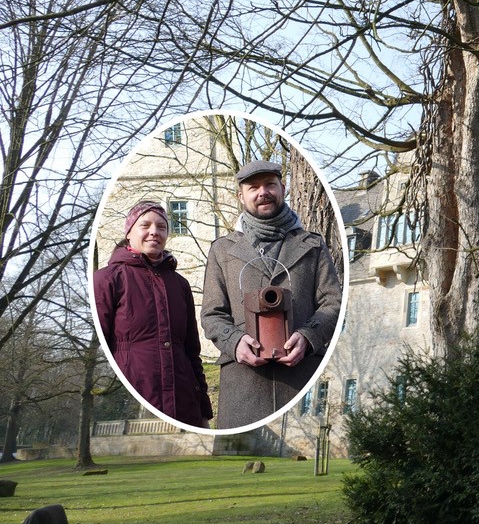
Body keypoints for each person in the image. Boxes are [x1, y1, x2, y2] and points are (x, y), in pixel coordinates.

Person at [201, 160, 341, 429]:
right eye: (253, 187)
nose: (262, 192)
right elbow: (211, 313)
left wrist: (309, 336)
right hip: (243, 385)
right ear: (241, 196)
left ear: (283, 188)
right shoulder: (222, 249)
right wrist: (234, 342)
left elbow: (332, 302)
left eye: (269, 185)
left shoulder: (312, 244)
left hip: (301, 378)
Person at [94, 201, 213, 428]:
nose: (154, 232)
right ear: (129, 232)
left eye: (161, 227)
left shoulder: (180, 285)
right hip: (138, 392)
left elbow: (192, 352)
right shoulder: (107, 279)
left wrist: (203, 411)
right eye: (145, 225)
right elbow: (102, 347)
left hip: (184, 401)